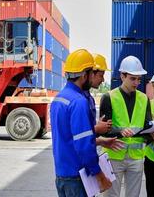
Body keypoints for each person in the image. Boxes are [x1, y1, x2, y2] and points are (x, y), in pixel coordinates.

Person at [51, 49, 111, 197]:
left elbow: (67, 138)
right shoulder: (79, 102)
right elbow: (83, 147)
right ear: (85, 75)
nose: (97, 78)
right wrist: (100, 176)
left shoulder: (59, 99)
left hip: (62, 175)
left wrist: (98, 140)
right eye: (93, 73)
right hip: (77, 177)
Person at [100, 55, 152, 197]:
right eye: (132, 78)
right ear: (122, 76)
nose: (136, 82)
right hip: (113, 155)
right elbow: (103, 130)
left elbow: (147, 128)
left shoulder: (144, 98)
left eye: (139, 79)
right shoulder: (108, 97)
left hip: (136, 157)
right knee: (112, 195)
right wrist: (120, 131)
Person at [84, 53, 112, 134]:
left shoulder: (90, 99)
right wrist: (96, 129)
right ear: (91, 74)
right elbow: (77, 134)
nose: (103, 80)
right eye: (101, 75)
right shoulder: (79, 100)